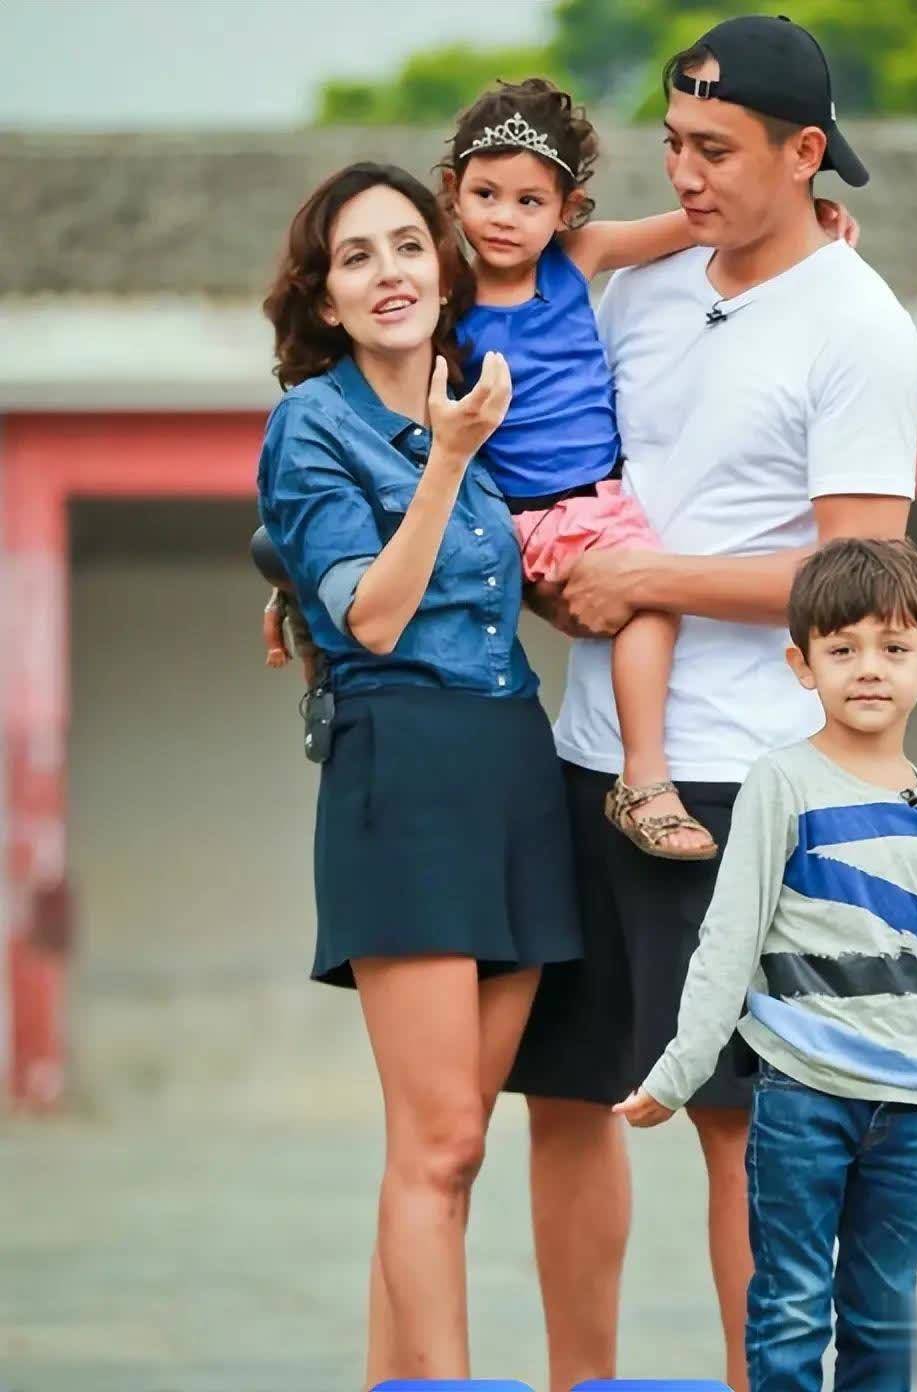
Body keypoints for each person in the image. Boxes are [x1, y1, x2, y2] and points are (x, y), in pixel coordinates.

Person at [505, 16, 917, 1392]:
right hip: (589, 757)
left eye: (716, 151)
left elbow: (862, 576)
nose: (683, 174)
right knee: (566, 1102)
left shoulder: (859, 326)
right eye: (673, 144)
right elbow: (561, 477)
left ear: (805, 156)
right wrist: (567, 589)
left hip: (748, 782)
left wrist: (648, 579)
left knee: (744, 1129)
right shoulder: (635, 288)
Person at [256, 159, 581, 1383]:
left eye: (406, 245)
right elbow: (374, 617)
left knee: (454, 1151)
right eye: (355, 257)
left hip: (512, 763)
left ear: (443, 271)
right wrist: (445, 459)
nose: (388, 272)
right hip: (402, 765)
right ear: (324, 298)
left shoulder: (482, 393)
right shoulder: (313, 423)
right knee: (435, 1146)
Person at [617, 537, 917, 1392]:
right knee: (791, 1305)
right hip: (802, 1096)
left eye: (893, 648)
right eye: (842, 649)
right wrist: (680, 1070)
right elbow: (730, 936)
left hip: (913, 1110)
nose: (869, 669)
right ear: (802, 665)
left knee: (883, 1312)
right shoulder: (782, 783)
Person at [440, 76, 855, 861]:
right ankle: (645, 777)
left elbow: (695, 228)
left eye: (530, 202)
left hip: (597, 501)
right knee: (652, 604)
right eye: (485, 195)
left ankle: (635, 769)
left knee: (645, 593)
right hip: (534, 509)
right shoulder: (445, 303)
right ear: (453, 192)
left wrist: (806, 219)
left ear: (567, 210)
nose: (503, 217)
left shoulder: (577, 260)